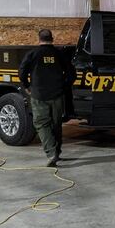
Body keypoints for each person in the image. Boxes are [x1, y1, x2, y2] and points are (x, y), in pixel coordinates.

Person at [19, 29, 76, 167]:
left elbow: (22, 72)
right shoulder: (59, 54)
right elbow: (72, 74)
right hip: (57, 95)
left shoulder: (32, 54)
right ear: (52, 38)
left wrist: (26, 86)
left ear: (39, 39)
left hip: (39, 95)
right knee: (56, 124)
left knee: (41, 123)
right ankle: (57, 151)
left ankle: (51, 153)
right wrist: (63, 87)